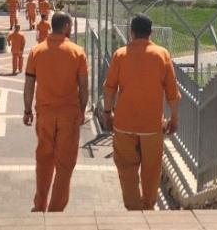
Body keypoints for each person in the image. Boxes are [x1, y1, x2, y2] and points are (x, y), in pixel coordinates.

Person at [102, 14, 181, 211]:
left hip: (124, 124)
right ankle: (148, 205)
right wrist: (174, 117)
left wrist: (107, 112)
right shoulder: (162, 54)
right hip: (152, 126)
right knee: (151, 169)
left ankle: (133, 206)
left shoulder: (120, 54)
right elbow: (172, 91)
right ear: (151, 33)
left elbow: (110, 88)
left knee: (127, 167)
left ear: (131, 32)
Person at [23, 11, 88, 212]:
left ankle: (39, 204)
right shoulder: (77, 52)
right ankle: (56, 208)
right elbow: (84, 87)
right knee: (65, 163)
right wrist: (82, 111)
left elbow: (29, 84)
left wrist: (27, 110)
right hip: (69, 115)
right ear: (67, 26)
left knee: (44, 159)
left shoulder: (36, 51)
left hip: (45, 114)